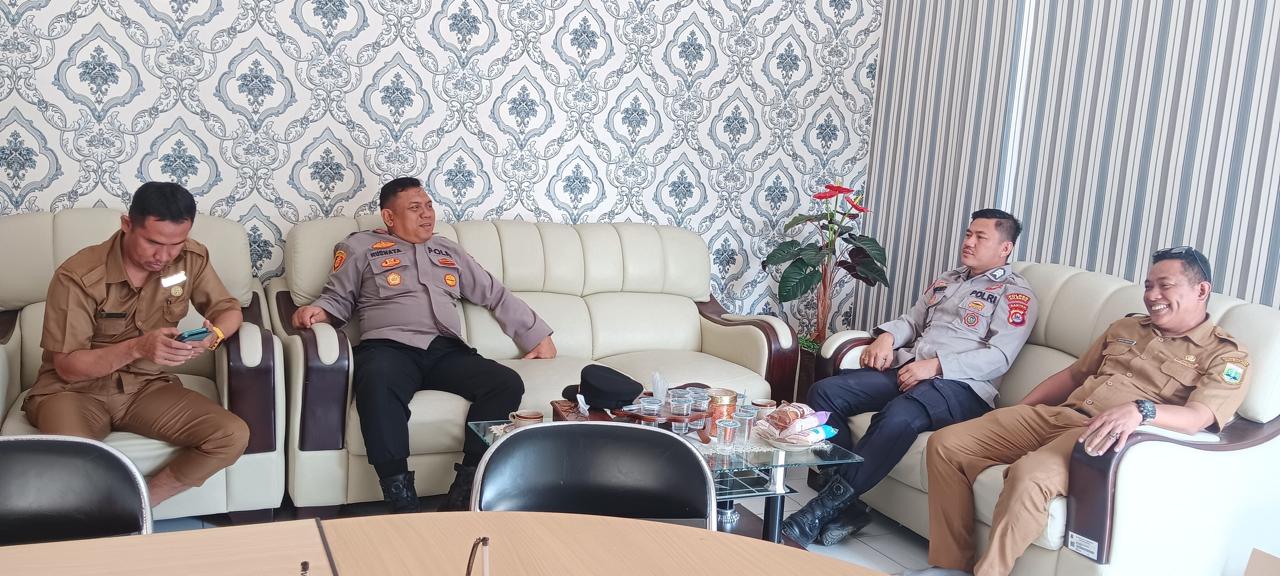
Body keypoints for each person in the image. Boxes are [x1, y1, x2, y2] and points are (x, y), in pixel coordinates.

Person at [910, 247, 1250, 576]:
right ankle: (951, 566)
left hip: (1099, 438)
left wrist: (1142, 410)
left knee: (1030, 476)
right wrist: (1019, 412)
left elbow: (1198, 417)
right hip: (1059, 415)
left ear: (1201, 290)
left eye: (1165, 285)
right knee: (946, 444)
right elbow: (1074, 376)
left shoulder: (1225, 356)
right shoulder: (1127, 327)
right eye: (1148, 285)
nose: (1152, 295)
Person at [292, 177, 557, 514]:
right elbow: (337, 297)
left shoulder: (448, 250)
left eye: (429, 206)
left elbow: (494, 293)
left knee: (505, 382)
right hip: (389, 348)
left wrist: (536, 334)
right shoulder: (360, 247)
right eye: (415, 208)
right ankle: (400, 497)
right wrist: (320, 312)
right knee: (376, 382)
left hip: (445, 351)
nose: (427, 214)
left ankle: (467, 487)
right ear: (389, 217)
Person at [782, 209, 1037, 547]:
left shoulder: (1015, 294)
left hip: (961, 388)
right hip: (911, 370)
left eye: (980, 237)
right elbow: (913, 321)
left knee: (899, 415)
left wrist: (937, 366)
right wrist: (887, 337)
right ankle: (847, 506)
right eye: (968, 234)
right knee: (825, 393)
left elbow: (999, 357)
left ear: (1005, 248)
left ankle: (820, 510)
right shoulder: (949, 279)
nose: (969, 242)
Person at [24, 182, 248, 506]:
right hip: (73, 391)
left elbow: (228, 309)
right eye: (153, 242)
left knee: (231, 435)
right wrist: (138, 347)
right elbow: (68, 367)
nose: (164, 256)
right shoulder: (78, 275)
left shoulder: (190, 259)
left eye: (176, 244)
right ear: (127, 224)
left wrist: (215, 334)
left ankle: (137, 505)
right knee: (72, 459)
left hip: (146, 387)